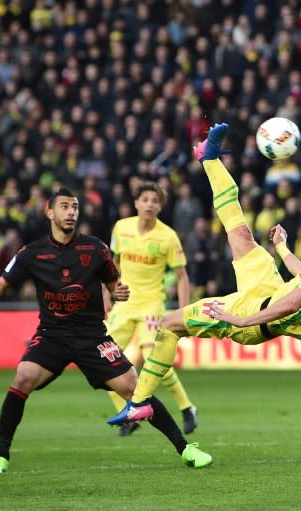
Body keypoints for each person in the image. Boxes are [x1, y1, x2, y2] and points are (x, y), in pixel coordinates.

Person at [108, 123, 301, 425]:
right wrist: (282, 248)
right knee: (240, 234)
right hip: (270, 289)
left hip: (256, 312)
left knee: (170, 324)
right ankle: (210, 159)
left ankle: (140, 402)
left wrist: (241, 319)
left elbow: (294, 304)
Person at [0, 188, 212, 473]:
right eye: (64, 207)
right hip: (52, 334)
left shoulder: (95, 248)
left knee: (134, 389)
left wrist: (118, 293)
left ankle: (185, 448)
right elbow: (1, 284)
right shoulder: (31, 253)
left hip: (91, 336)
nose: (71, 212)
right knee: (23, 377)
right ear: (49, 212)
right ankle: (1, 455)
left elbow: (113, 285)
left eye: (74, 207)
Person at [105, 181, 199, 437]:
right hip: (123, 305)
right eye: (145, 199)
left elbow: (181, 276)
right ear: (136, 202)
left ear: (160, 206)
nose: (149, 204)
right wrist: (107, 295)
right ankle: (127, 415)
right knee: (102, 361)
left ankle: (187, 407)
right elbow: (111, 266)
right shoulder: (121, 228)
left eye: (154, 200)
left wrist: (183, 312)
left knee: (153, 361)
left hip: (150, 305)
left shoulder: (167, 236)